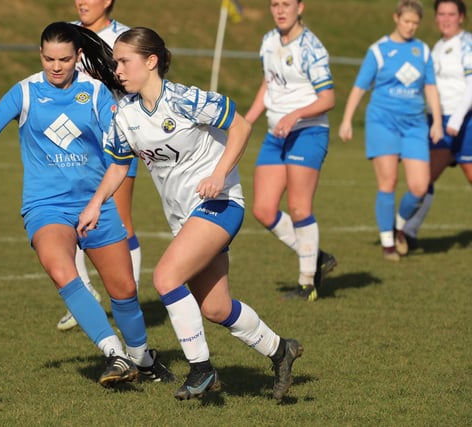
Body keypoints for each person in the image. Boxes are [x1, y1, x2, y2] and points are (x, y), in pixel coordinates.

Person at [78, 26, 303, 401]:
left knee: (166, 278)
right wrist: (95, 202)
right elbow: (118, 167)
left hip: (221, 204)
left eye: (124, 61)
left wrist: (219, 174)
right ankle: (281, 351)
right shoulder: (124, 117)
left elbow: (241, 126)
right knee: (216, 307)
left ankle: (201, 369)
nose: (117, 69)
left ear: (151, 62)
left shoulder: (184, 99)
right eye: (115, 62)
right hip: (185, 219)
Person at [0, 22, 174, 387]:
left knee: (124, 290)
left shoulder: (96, 93)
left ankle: (142, 358)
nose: (56, 66)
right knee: (61, 269)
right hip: (45, 205)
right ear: (40, 55)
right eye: (49, 59)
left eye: (64, 59)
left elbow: (125, 134)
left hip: (96, 204)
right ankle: (114, 354)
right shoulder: (25, 91)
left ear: (78, 56)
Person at [55, 0, 142, 332]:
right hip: (73, 142)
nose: (81, 1)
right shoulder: (66, 33)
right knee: (71, 219)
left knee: (121, 224)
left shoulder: (123, 38)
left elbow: (135, 87)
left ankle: (127, 300)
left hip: (115, 141)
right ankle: (85, 292)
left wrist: (105, 78)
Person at [244, 0, 337, 302]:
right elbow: (268, 85)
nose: (280, 10)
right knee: (263, 210)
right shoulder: (268, 41)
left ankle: (307, 283)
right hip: (276, 134)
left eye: (286, 4)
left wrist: (295, 114)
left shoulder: (311, 47)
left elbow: (328, 98)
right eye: (274, 4)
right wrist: (246, 121)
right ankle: (317, 256)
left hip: (308, 132)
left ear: (301, 7)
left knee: (299, 207)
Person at [338, 0, 443, 261]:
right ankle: (388, 244)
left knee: (419, 187)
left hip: (415, 125)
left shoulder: (423, 51)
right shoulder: (379, 50)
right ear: (396, 18)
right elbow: (360, 87)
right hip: (382, 122)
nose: (410, 27)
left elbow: (430, 88)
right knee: (388, 182)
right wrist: (347, 120)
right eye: (406, 21)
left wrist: (438, 122)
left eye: (415, 23)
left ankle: (398, 225)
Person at [402, 0, 472, 248]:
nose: (446, 19)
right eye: (441, 14)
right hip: (437, 123)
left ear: (461, 17)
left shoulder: (467, 44)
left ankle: (404, 232)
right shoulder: (436, 48)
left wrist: (456, 119)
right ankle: (407, 234)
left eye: (451, 14)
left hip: (464, 121)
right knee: (424, 178)